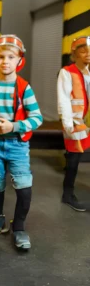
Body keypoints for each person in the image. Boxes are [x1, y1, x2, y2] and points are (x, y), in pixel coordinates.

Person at [0, 35, 43, 250]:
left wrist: (13, 126)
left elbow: (37, 118)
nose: (5, 61)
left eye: (11, 57)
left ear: (19, 61)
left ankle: (20, 226)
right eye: (0, 57)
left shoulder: (24, 87)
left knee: (23, 185)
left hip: (17, 144)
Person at [57, 36, 90, 212]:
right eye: (83, 51)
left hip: (86, 122)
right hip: (75, 123)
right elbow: (63, 99)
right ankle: (68, 194)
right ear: (74, 54)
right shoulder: (67, 72)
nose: (88, 55)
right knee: (74, 158)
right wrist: (67, 123)